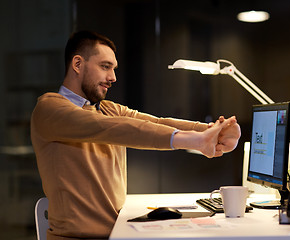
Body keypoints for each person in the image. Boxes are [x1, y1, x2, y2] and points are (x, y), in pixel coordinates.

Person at [31, 30, 241, 240]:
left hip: (116, 233)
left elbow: (154, 123)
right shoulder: (49, 109)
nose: (112, 77)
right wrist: (194, 141)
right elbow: (113, 128)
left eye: (113, 69)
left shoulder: (106, 109)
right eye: (105, 67)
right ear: (77, 64)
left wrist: (212, 131)